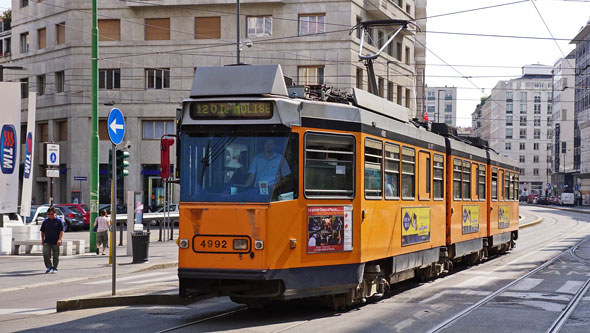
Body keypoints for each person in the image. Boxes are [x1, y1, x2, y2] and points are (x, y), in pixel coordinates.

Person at [40, 206, 66, 274]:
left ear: (55, 214)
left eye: (51, 214)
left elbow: (62, 230)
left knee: (55, 255)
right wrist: (42, 239)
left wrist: (60, 239)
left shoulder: (59, 221)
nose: (50, 215)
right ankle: (49, 266)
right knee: (45, 254)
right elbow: (42, 231)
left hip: (56, 241)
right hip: (47, 240)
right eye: (49, 214)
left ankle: (55, 268)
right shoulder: (45, 221)